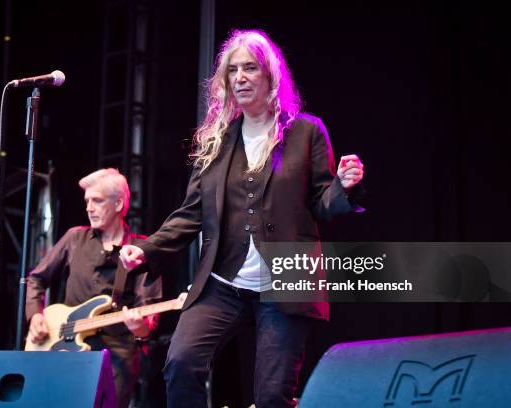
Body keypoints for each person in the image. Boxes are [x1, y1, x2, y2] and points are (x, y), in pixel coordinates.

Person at [120, 29, 364, 407]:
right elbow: (190, 214)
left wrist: (344, 188)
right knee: (181, 364)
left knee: (271, 397)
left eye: (250, 68)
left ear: (271, 76)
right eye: (233, 71)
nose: (241, 78)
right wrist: (147, 250)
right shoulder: (217, 140)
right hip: (223, 283)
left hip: (283, 282)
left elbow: (322, 202)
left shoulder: (305, 131)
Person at [25, 168, 162, 408]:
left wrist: (140, 328)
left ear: (119, 203)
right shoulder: (74, 238)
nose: (89, 207)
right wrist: (35, 314)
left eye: (97, 201)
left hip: (117, 353)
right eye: (87, 201)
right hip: (63, 344)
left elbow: (147, 317)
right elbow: (36, 279)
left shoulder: (142, 250)